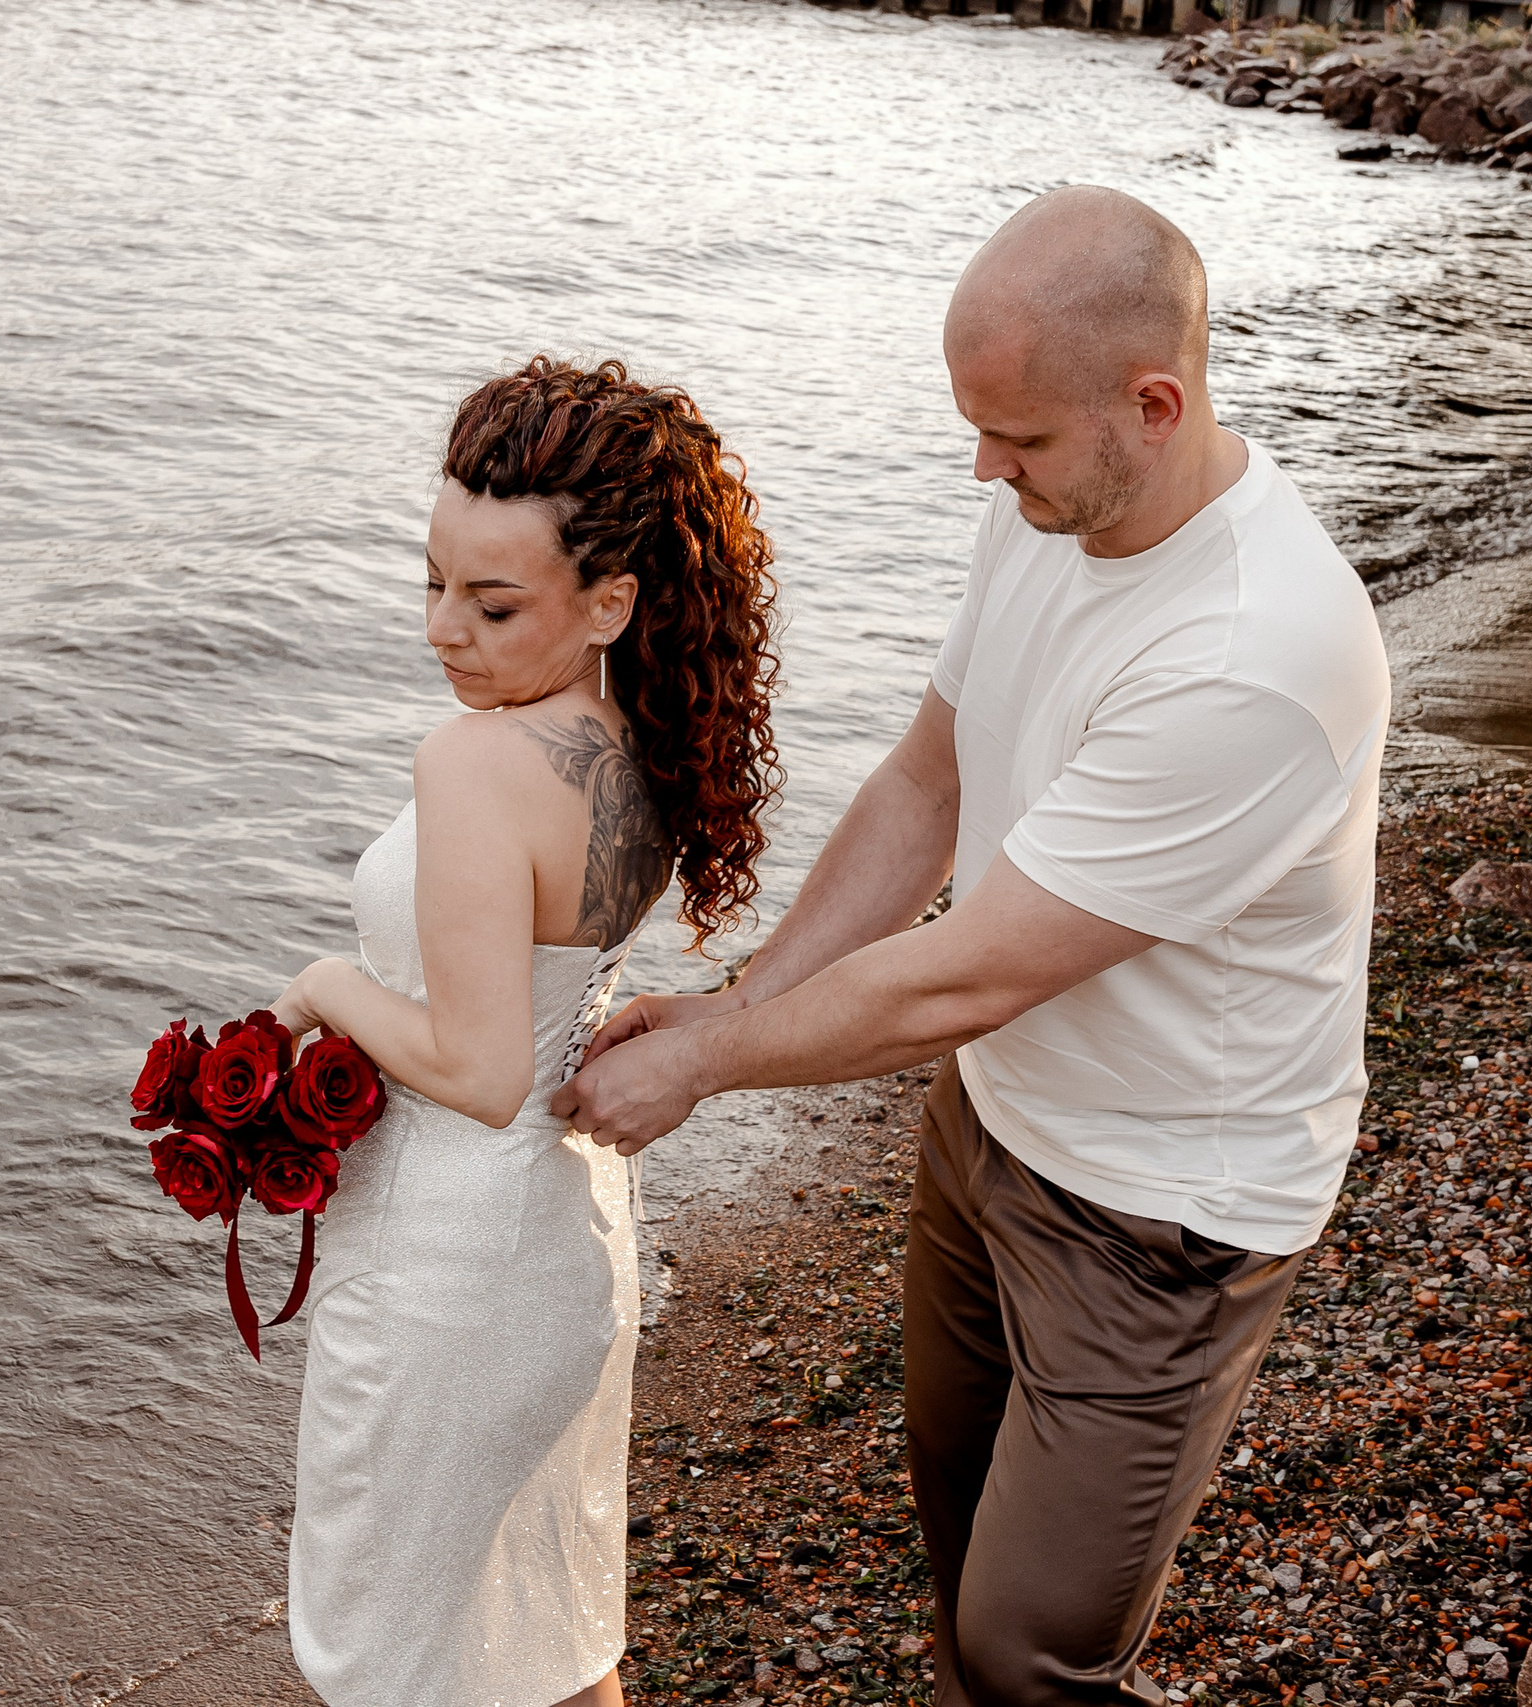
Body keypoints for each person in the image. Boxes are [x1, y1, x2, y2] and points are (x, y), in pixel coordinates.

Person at [553, 188, 1390, 1706]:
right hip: (993, 1128)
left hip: (1167, 1211)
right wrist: (745, 995)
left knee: (1028, 1649)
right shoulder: (1051, 516)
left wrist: (702, 1069)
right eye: (976, 426)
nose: (983, 468)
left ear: (1157, 402)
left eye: (1019, 438)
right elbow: (926, 787)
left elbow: (973, 967)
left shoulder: (1259, 654)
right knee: (955, 1540)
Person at [267, 357, 781, 1707]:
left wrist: (325, 986)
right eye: (430, 582)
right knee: (543, 1637)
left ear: (612, 600)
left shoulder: (477, 761)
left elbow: (484, 1072)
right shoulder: (642, 740)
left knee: (399, 1660)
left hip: (449, 1269)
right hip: (570, 1249)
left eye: (493, 605)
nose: (445, 631)